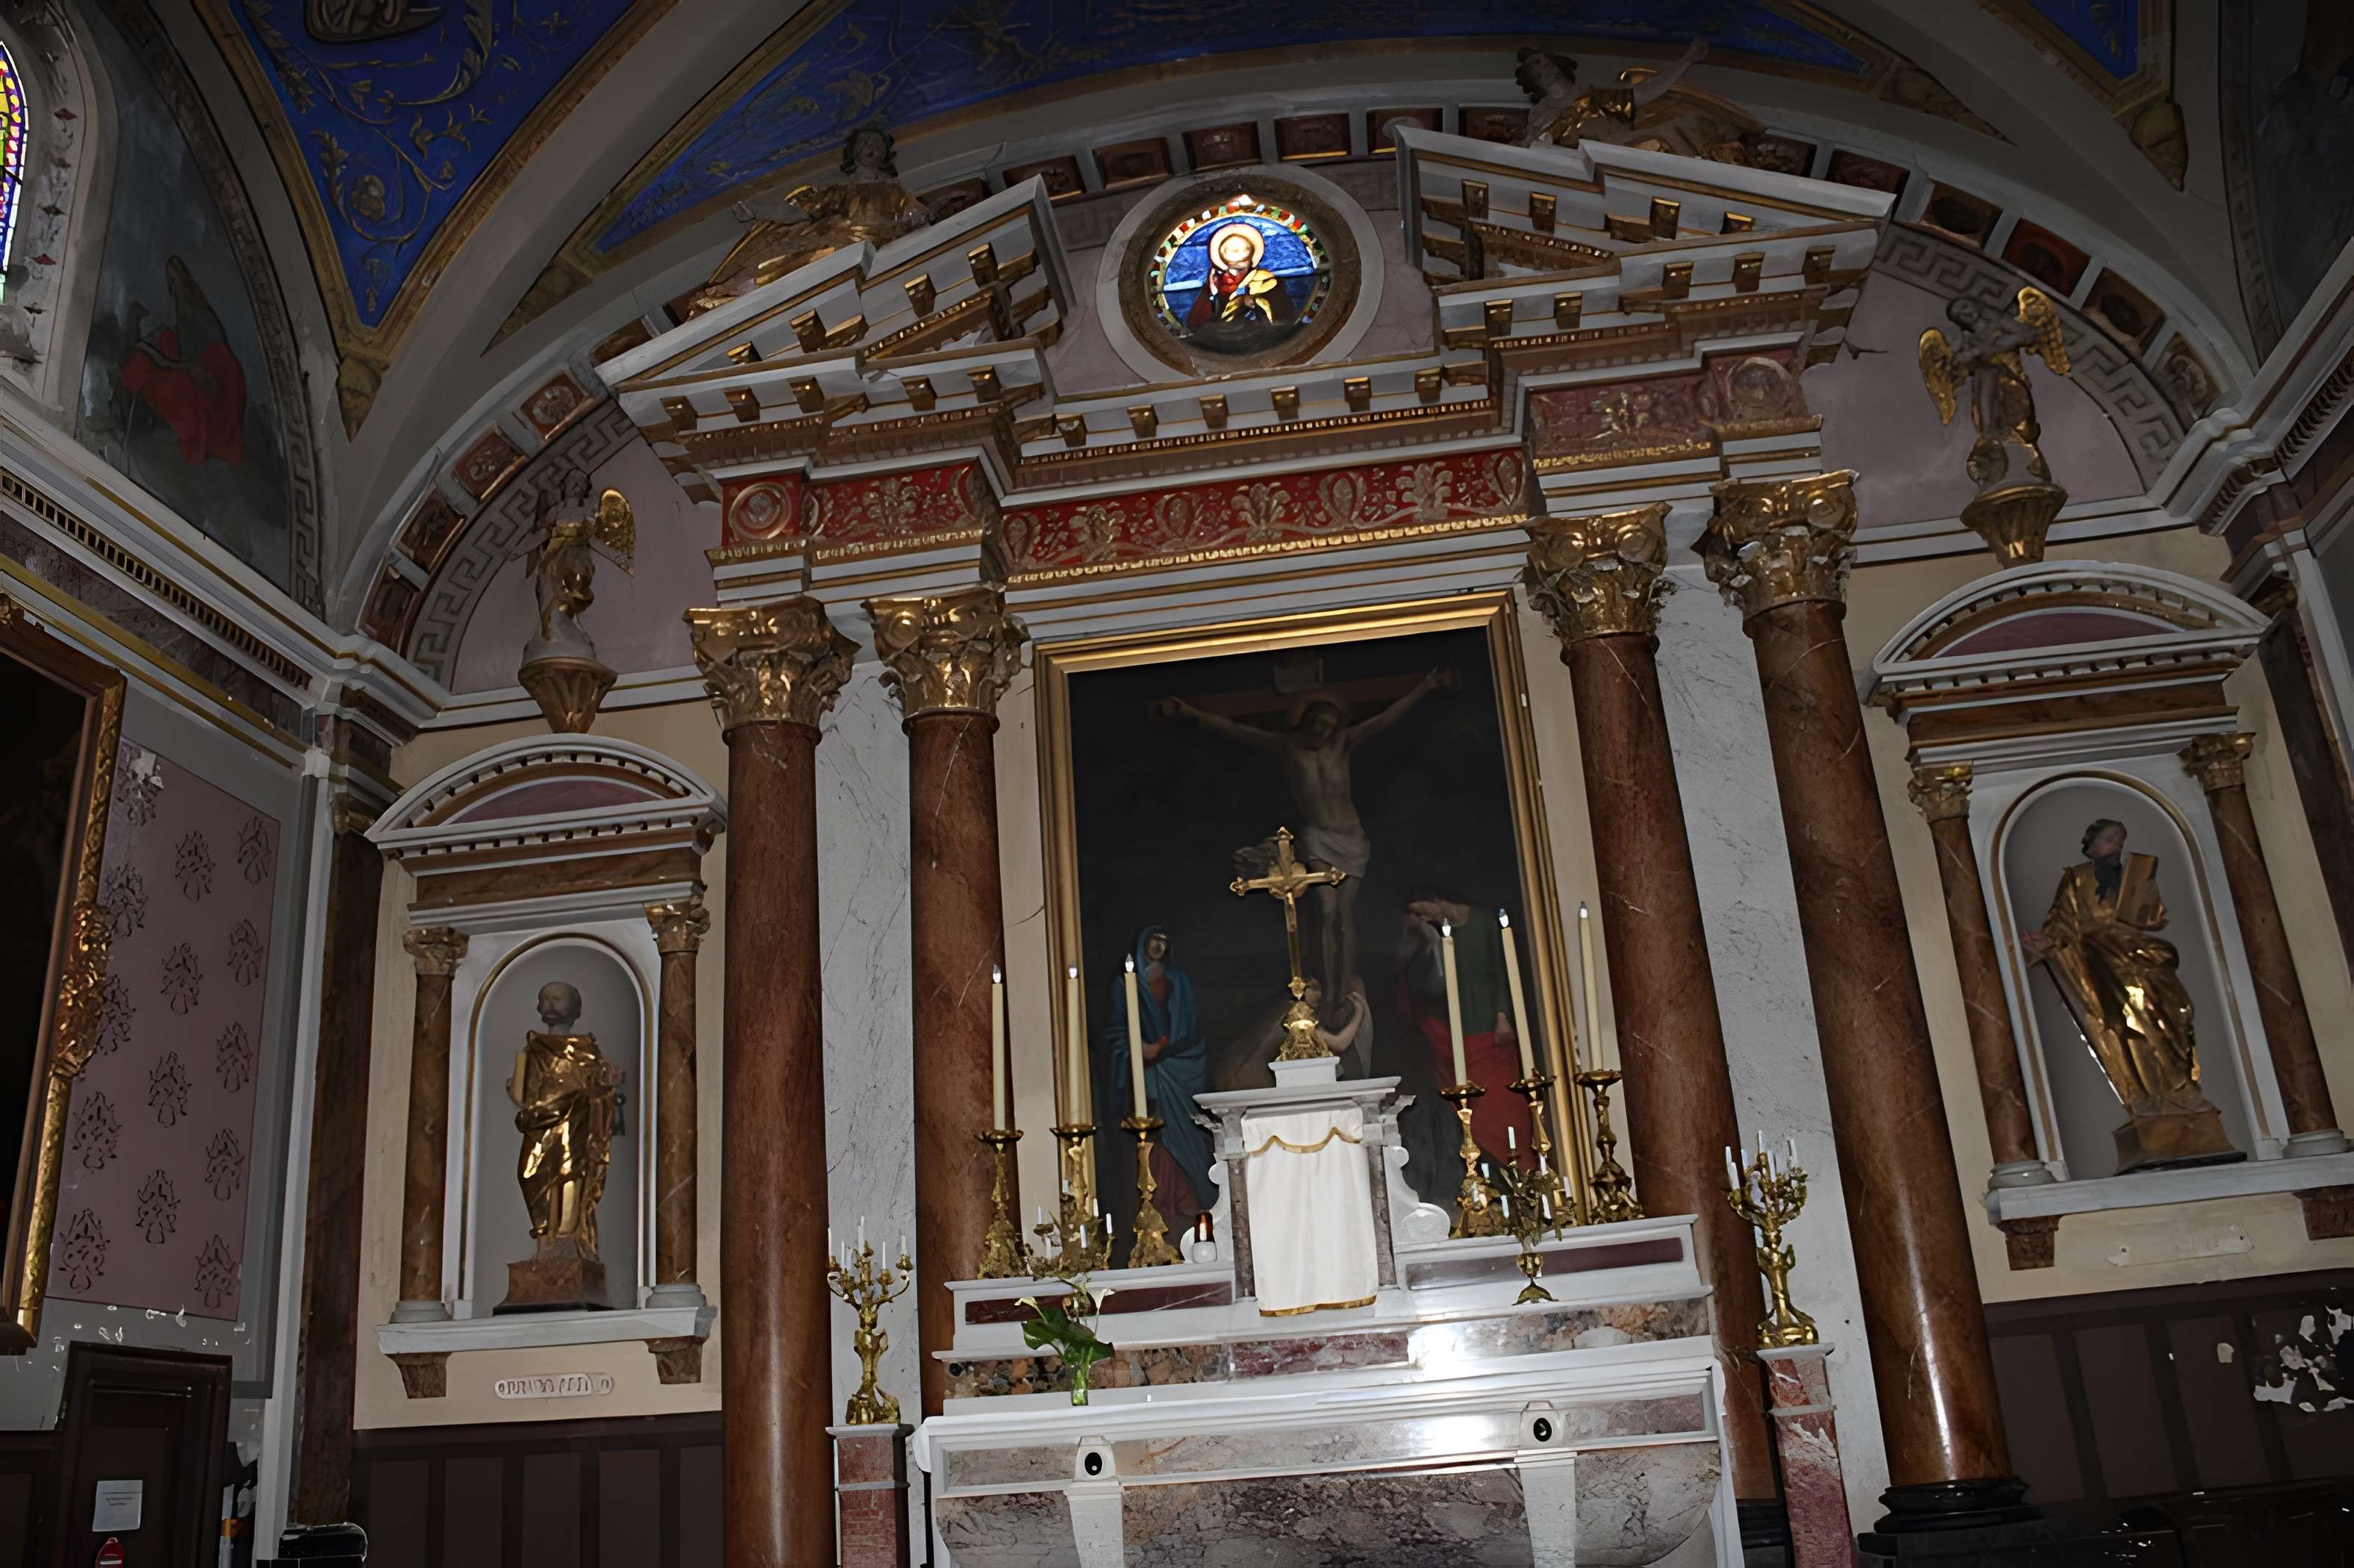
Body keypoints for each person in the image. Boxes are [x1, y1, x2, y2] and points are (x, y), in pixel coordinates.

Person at [1167, 669, 1451, 996]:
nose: (1324, 729)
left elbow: (1387, 718)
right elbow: (1236, 730)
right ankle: (1324, 980)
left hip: (1351, 838)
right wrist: (1191, 713)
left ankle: (1340, 987)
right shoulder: (1287, 747)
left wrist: (1427, 685)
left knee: (1343, 917)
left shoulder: (1344, 744)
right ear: (1307, 719)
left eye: (1330, 725)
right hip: (1317, 836)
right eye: (1318, 722)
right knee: (1326, 910)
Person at [2024, 819, 2209, 1119]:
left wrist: (2144, 894)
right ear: (2092, 845)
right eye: (2110, 839)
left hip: (2142, 953)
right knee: (2134, 1022)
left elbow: (2156, 920)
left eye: (2121, 841)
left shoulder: (2131, 876)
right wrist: (2047, 941)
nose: (2117, 846)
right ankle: (2157, 1093)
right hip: (2103, 956)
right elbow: (2062, 922)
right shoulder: (2077, 879)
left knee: (2178, 1010)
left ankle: (2181, 1086)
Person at [681, 126, 930, 320]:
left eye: (876, 143)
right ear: (853, 153)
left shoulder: (896, 192)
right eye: (864, 143)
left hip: (880, 244)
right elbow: (799, 213)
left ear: (886, 152)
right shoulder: (842, 191)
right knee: (783, 264)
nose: (871, 147)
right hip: (846, 242)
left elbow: (917, 217)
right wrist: (757, 210)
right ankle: (735, 296)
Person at [1399, 891, 1532, 1158]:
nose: (1420, 917)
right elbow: (1425, 987)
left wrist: (1503, 1013)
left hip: (1491, 1034)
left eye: (1422, 910)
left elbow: (1501, 967)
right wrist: (1424, 940)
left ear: (1437, 898)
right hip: (1455, 1037)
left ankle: (1518, 1169)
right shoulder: (1432, 936)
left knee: (1503, 1105)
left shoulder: (1483, 923)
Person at [1100, 927, 1214, 1231]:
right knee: (1155, 1135)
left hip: (1180, 1065)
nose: (1159, 947)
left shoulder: (1179, 982)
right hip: (1145, 1070)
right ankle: (1163, 1201)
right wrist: (1138, 1050)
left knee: (1186, 1130)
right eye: (1154, 941)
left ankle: (1192, 1197)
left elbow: (1189, 1026)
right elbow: (1116, 1030)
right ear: (1142, 943)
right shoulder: (1124, 986)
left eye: (1165, 942)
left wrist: (1163, 1047)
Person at [508, 981, 625, 1258]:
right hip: (539, 1123)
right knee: (529, 1173)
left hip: (575, 1123)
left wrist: (605, 1088)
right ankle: (545, 1234)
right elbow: (521, 1091)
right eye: (544, 998)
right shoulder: (532, 1047)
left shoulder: (589, 1050)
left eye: (557, 998)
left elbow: (601, 1090)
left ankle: (566, 1238)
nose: (549, 1003)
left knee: (570, 1174)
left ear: (575, 1008)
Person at [1184, 222, 1287, 332]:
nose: (1232, 275)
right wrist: (1213, 292)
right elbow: (1196, 324)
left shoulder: (1266, 281)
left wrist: (1249, 302)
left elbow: (1280, 318)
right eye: (1229, 268)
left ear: (1251, 263)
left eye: (1240, 269)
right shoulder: (1218, 283)